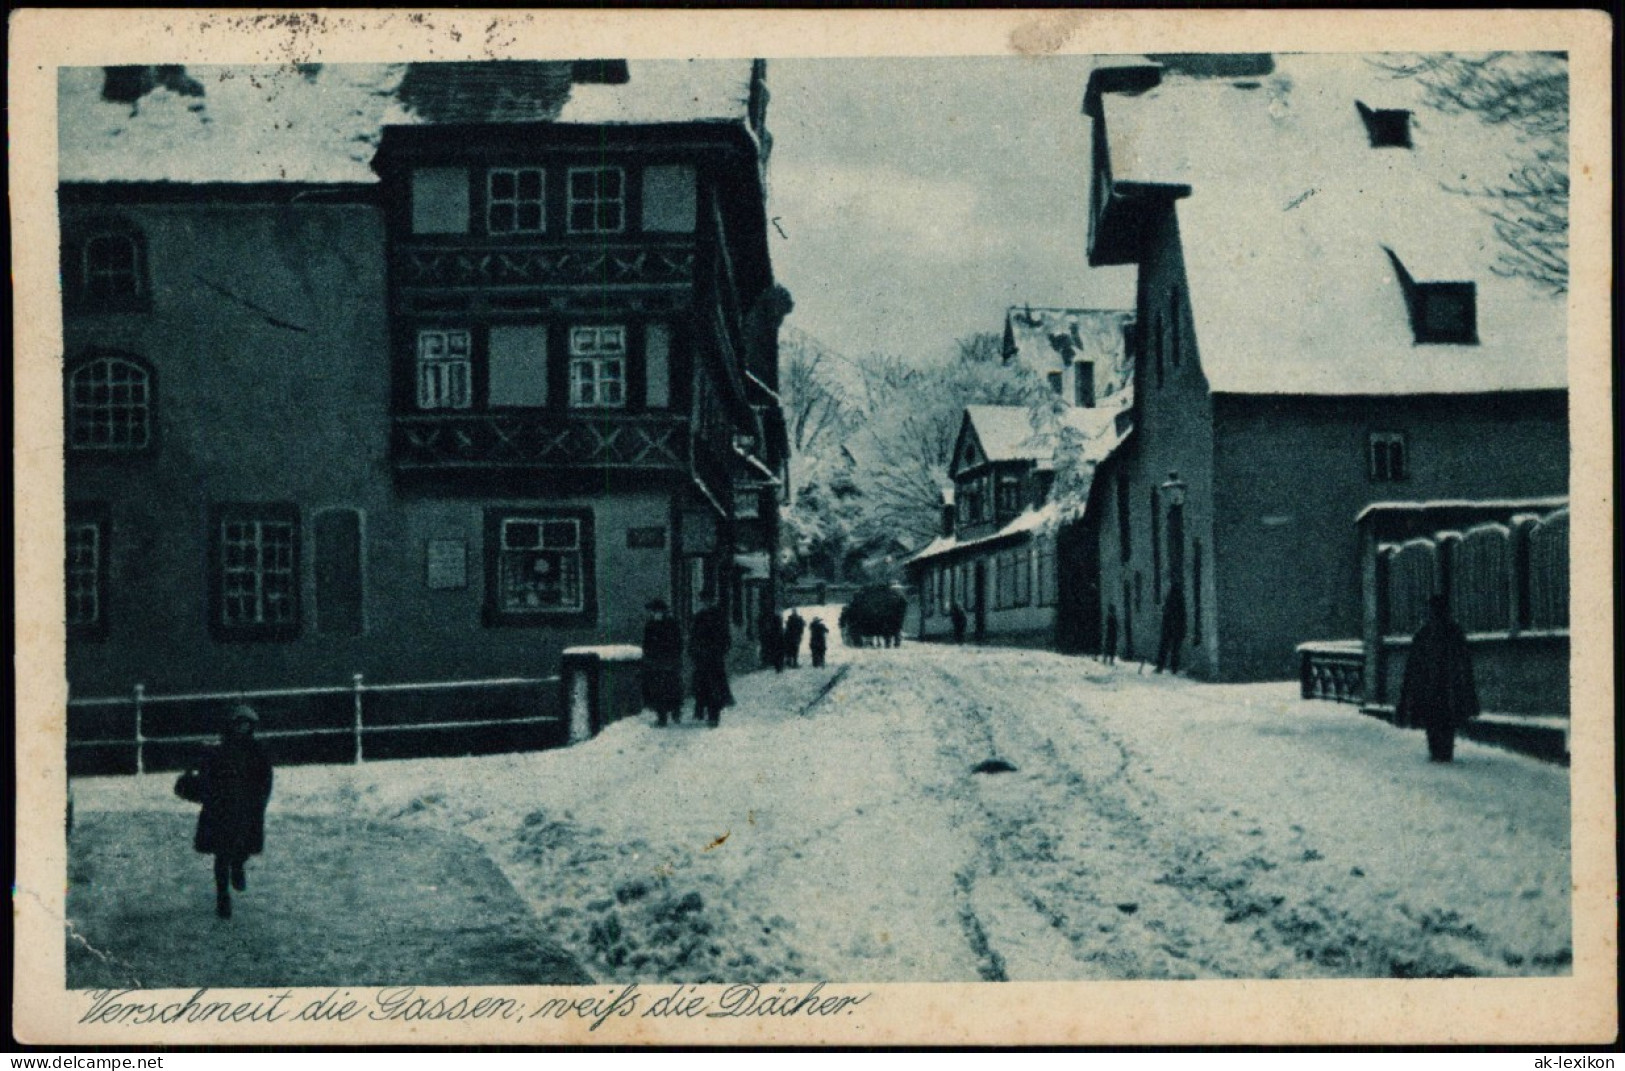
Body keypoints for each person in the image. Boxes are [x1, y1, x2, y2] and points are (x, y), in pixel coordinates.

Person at [191, 704, 273, 920]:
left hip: (246, 809)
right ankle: (222, 896)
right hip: (222, 809)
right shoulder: (219, 749)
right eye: (239, 723)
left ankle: (238, 866)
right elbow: (206, 777)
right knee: (221, 855)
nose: (242, 728)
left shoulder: (257, 750)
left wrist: (259, 803)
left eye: (246, 724)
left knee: (241, 848)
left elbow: (265, 780)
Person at [1397, 593, 1480, 763]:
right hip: (1443, 687)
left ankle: (1439, 751)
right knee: (1441, 720)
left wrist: (1407, 697)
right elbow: (1464, 665)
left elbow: (1412, 668)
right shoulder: (1449, 632)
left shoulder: (1426, 634)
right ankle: (1442, 751)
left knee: (1436, 720)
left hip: (1437, 686)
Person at [690, 596, 732, 727]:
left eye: (708, 601)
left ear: (713, 602)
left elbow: (726, 638)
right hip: (701, 658)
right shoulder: (698, 617)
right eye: (703, 601)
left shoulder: (719, 617)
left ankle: (714, 715)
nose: (705, 604)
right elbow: (693, 637)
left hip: (714, 659)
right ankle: (703, 710)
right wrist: (693, 652)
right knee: (702, 687)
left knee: (715, 687)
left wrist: (719, 651)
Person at [641, 598, 684, 726]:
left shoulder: (671, 624)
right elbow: (646, 644)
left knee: (672, 688)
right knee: (657, 690)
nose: (656, 614)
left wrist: (673, 656)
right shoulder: (650, 625)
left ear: (664, 612)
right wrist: (648, 657)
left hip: (670, 662)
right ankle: (661, 716)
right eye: (654, 612)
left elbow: (678, 643)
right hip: (655, 663)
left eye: (658, 611)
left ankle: (675, 711)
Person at [1154, 582, 1186, 674]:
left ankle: (1161, 667)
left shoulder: (1170, 600)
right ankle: (1173, 668)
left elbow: (1166, 613)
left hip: (1168, 628)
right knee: (1175, 649)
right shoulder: (1180, 599)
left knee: (1165, 647)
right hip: (1176, 627)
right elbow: (1182, 615)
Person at [759, 605, 784, 673]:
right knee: (777, 652)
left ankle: (778, 666)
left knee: (776, 652)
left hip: (775, 638)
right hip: (776, 638)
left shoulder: (772, 619)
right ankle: (778, 666)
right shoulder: (775, 619)